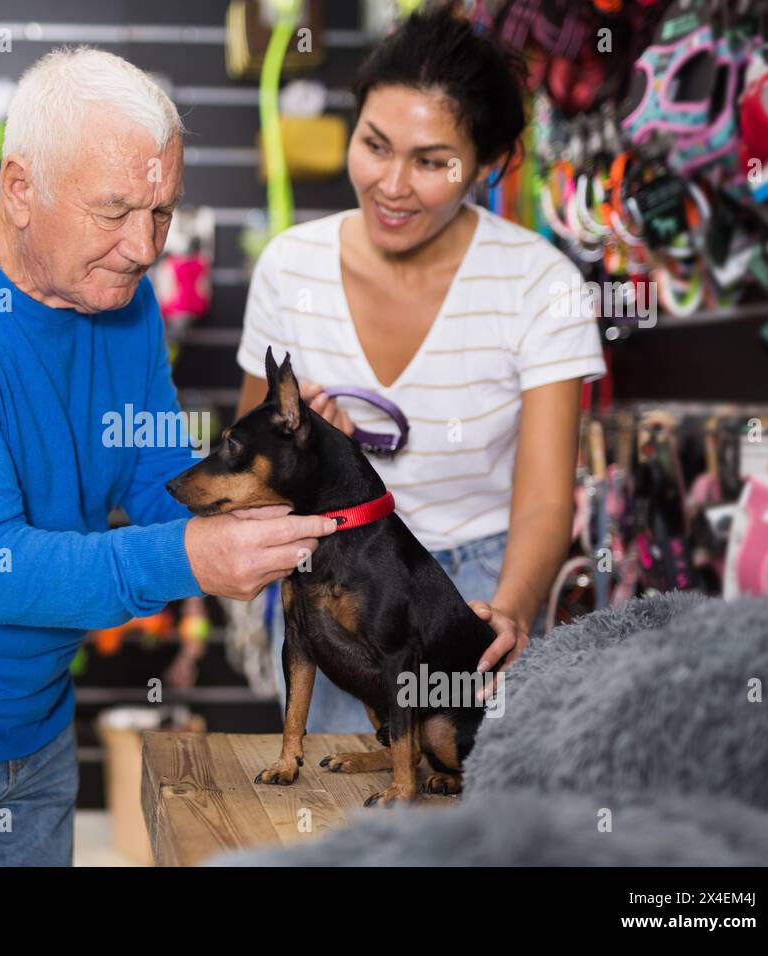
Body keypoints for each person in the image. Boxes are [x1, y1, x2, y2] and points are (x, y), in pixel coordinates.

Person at [0, 46, 338, 867]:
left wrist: (265, 490)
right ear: (20, 189)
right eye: (114, 210)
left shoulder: (120, 298)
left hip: (37, 715)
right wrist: (191, 556)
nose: (144, 245)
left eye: (161, 212)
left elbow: (155, 481)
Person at [235, 8, 606, 732]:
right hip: (335, 584)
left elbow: (542, 501)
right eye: (375, 145)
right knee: (342, 829)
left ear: (488, 163)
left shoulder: (541, 283)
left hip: (479, 591)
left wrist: (512, 606)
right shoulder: (289, 267)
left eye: (433, 161)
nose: (393, 185)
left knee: (469, 828)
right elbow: (250, 479)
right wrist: (303, 460)